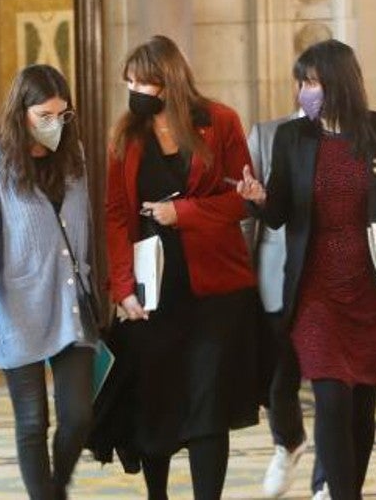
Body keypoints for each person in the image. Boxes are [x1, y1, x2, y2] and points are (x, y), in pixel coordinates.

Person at [236, 39, 376, 500]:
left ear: (339, 83)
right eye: (300, 83)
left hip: (371, 286)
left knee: (362, 407)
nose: (304, 91)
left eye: (312, 82)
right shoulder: (292, 137)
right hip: (314, 290)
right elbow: (280, 212)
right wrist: (259, 201)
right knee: (332, 398)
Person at [101, 35, 260, 500]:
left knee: (209, 405)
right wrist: (122, 289)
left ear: (168, 82)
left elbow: (242, 199)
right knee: (157, 399)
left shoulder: (220, 121)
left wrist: (184, 214)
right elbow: (115, 214)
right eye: (128, 81)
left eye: (141, 81)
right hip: (154, 290)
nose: (133, 89)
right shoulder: (127, 135)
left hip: (215, 289)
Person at [0, 64, 98, 500]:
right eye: (44, 115)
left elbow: (86, 228)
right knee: (31, 421)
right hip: (18, 307)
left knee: (78, 415)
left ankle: (53, 490)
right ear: (20, 112)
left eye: (62, 115)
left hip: (72, 304)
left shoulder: (73, 156)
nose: (54, 124)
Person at [243, 105, 329, 499]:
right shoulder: (267, 133)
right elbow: (248, 214)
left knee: (333, 387)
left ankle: (328, 478)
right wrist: (241, 277)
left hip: (330, 278)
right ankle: (289, 441)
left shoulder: (357, 133)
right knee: (279, 381)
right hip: (276, 274)